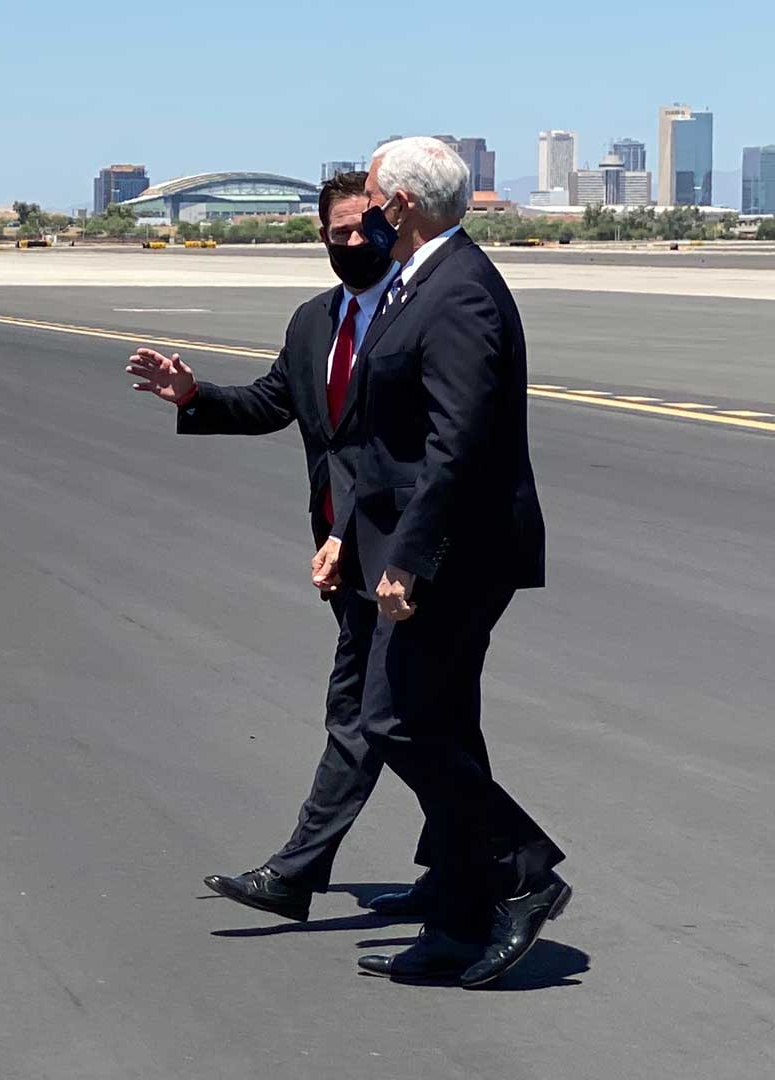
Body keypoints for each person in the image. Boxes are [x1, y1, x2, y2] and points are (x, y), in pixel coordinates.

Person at [126, 171, 405, 922]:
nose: (352, 241)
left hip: (399, 555)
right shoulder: (315, 320)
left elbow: (409, 454)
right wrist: (193, 396)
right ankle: (478, 863)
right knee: (414, 717)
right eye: (337, 231)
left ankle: (297, 872)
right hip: (340, 554)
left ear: (392, 223)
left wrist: (357, 534)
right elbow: (273, 403)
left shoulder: (417, 313)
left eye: (364, 227)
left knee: (362, 713)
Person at [322, 136, 568, 987]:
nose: (371, 209)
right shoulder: (422, 278)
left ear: (403, 205)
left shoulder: (458, 290)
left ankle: (522, 869)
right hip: (425, 545)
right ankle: (461, 917)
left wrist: (409, 560)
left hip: (454, 555)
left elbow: (454, 442)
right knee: (443, 725)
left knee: (395, 719)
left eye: (379, 196)